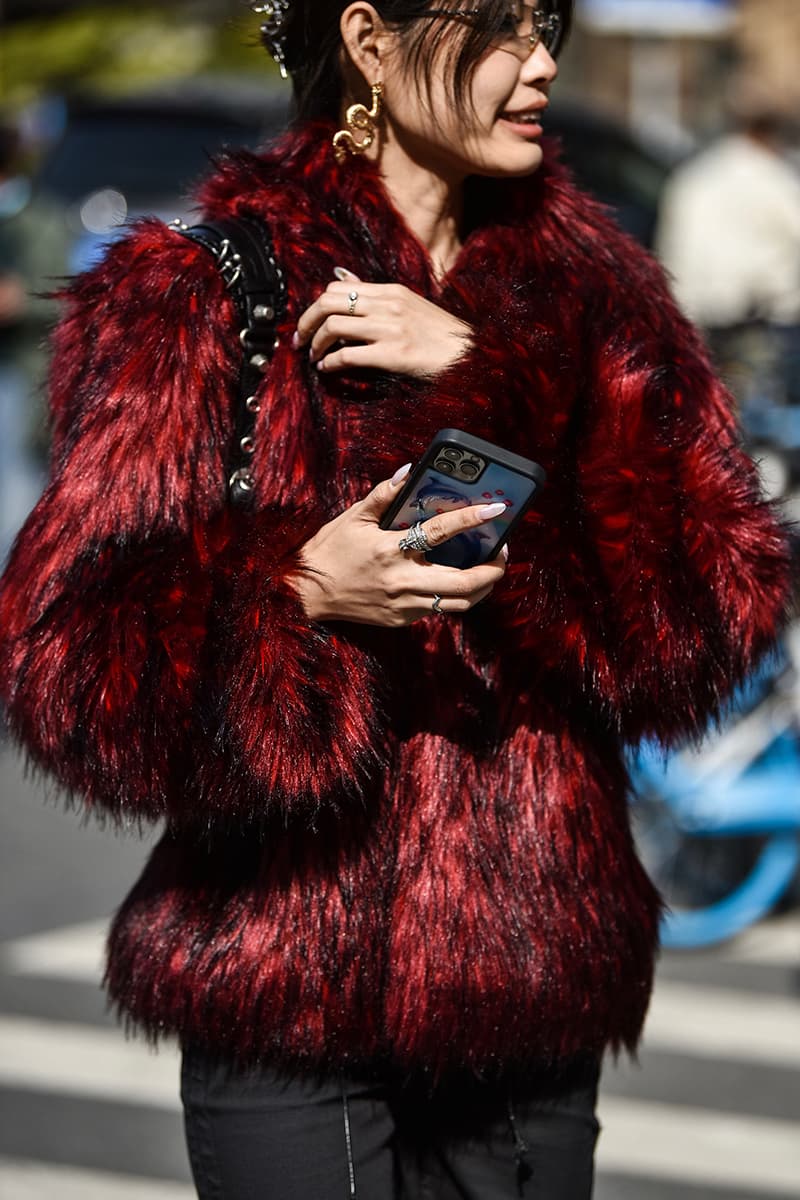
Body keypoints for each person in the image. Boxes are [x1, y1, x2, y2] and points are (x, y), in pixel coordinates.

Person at [0, 3, 790, 1197]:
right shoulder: (201, 295)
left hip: (531, 992)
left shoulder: (598, 299)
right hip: (282, 979)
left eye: (549, 21)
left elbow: (709, 619)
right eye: (501, 25)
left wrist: (488, 376)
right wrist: (298, 597)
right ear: (369, 40)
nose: (540, 61)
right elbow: (63, 665)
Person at [655, 86, 800, 407]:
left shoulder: (695, 174)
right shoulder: (773, 177)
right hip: (757, 314)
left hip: (693, 309)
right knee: (765, 400)